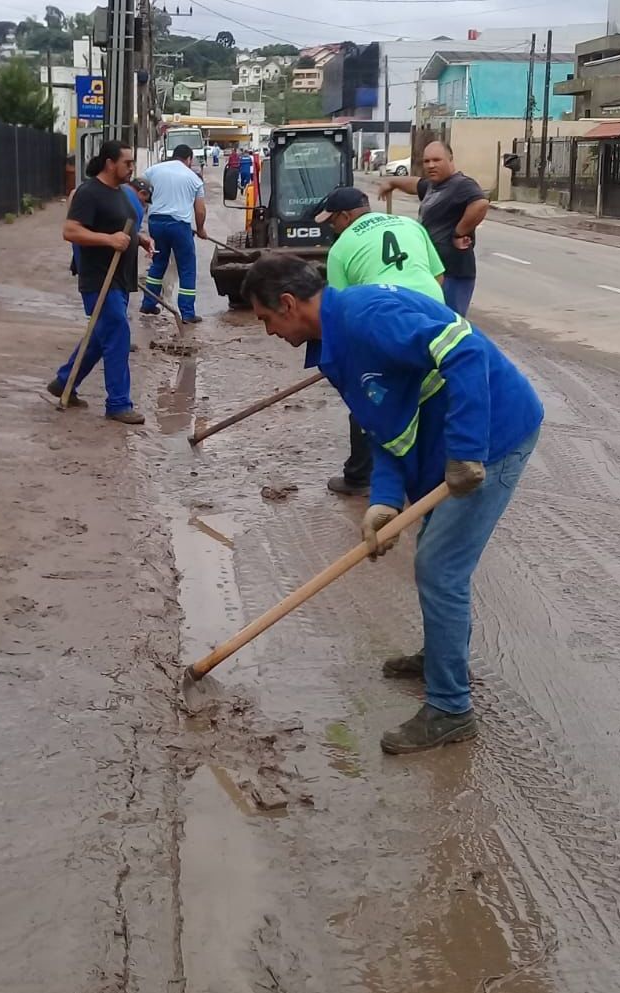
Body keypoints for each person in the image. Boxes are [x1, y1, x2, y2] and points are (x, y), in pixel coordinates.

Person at [241, 255, 543, 754]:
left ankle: (450, 709)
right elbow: (385, 422)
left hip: (496, 436)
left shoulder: (366, 318)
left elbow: (465, 352)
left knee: (440, 568)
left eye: (266, 319)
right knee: (435, 556)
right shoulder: (334, 341)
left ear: (289, 304)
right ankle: (439, 656)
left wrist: (467, 450)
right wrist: (383, 502)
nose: (269, 331)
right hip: (452, 444)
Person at [315, 186, 446, 499]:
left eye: (332, 221)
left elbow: (342, 310)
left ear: (345, 217)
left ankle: (360, 475)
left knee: (370, 393)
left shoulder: (340, 248)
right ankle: (431, 472)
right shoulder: (410, 225)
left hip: (384, 320)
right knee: (429, 392)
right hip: (433, 313)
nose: (332, 228)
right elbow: (438, 276)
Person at [47, 140, 154, 425]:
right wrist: (109, 240)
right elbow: (70, 231)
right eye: (127, 163)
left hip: (119, 278)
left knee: (98, 337)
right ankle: (118, 403)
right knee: (118, 336)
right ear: (110, 163)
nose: (131, 168)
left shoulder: (119, 192)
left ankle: (63, 382)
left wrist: (140, 239)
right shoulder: (89, 193)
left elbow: (118, 226)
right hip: (98, 279)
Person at [379, 141, 489, 317]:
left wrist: (459, 232)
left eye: (437, 160)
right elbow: (415, 184)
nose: (431, 165)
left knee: (450, 323)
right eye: (426, 161)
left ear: (450, 159)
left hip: (454, 272)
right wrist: (392, 182)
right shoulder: (433, 186)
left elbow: (481, 204)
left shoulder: (461, 184)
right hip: (434, 272)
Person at [140, 144, 208, 325]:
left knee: (158, 263)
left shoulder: (152, 171)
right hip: (179, 226)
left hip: (156, 223)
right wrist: (200, 229)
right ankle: (187, 313)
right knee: (187, 267)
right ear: (189, 159)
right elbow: (200, 210)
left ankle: (148, 304)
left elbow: (139, 193)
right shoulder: (194, 179)